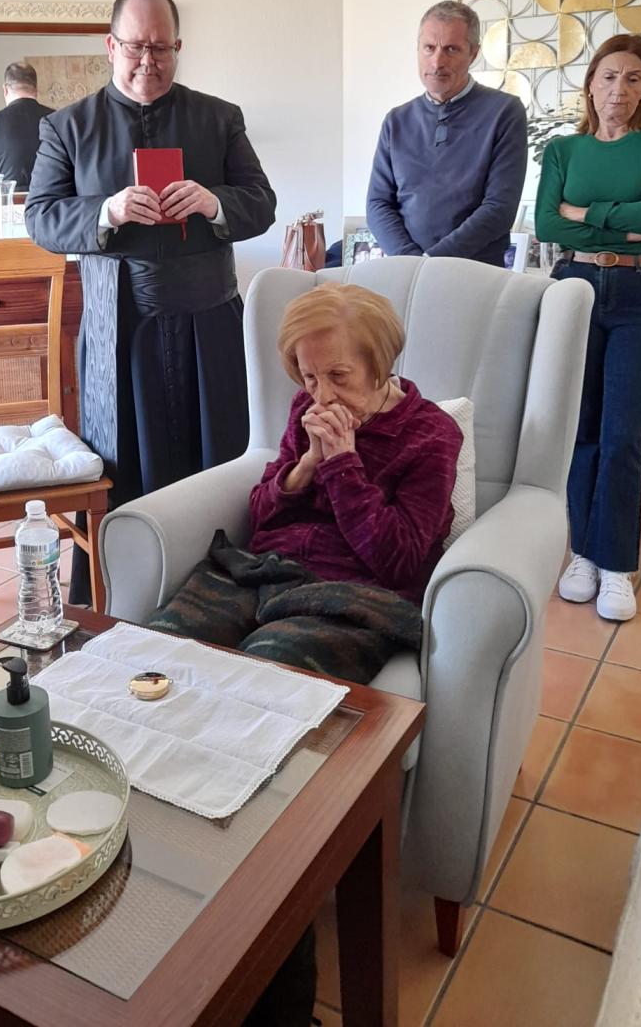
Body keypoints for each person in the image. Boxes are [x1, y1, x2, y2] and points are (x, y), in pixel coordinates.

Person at [149, 282, 462, 1027]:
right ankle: (148, 858)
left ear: (382, 366)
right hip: (255, 573)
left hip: (347, 597)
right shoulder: (305, 413)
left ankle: (256, 943)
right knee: (149, 661)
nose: (319, 393)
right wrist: (301, 469)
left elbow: (398, 559)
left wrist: (346, 464)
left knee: (258, 709)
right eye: (306, 376)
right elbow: (262, 515)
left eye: (339, 378)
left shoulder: (429, 438)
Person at [25, 0, 276, 603]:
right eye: (135, 46)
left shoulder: (219, 118)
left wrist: (215, 201)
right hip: (120, 327)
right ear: (111, 46)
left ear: (179, 48)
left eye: (161, 47)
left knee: (216, 457)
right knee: (126, 465)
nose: (148, 60)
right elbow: (41, 217)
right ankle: (127, 593)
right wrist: (105, 211)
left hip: (207, 321)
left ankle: (223, 591)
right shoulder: (68, 126)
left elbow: (262, 204)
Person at [535, 33, 641, 622]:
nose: (617, 90)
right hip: (572, 289)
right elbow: (549, 223)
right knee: (583, 431)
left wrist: (589, 214)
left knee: (624, 436)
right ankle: (583, 554)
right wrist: (624, 223)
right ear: (590, 83)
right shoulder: (563, 150)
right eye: (607, 76)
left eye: (632, 78)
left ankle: (617, 564)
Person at [367, 0, 528, 265]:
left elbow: (499, 207)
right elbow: (377, 204)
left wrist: (433, 261)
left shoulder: (505, 112)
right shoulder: (397, 120)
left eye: (451, 49)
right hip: (405, 271)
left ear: (473, 54)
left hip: (475, 273)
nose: (437, 61)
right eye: (429, 48)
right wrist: (411, 261)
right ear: (418, 50)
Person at [0, 62, 54, 190]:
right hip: (52, 205)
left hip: (5, 206)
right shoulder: (58, 121)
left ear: (5, 89)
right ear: (36, 89)